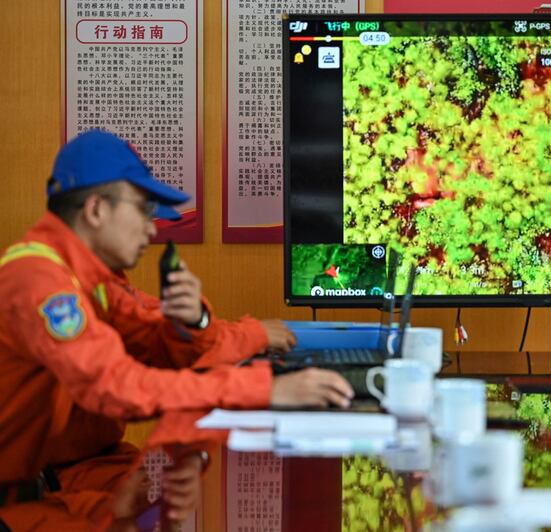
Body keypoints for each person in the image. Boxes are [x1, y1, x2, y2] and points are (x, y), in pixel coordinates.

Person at [0, 129, 354, 529]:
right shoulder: (40, 282)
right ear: (96, 210)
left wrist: (191, 322)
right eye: (141, 209)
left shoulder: (90, 281)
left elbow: (156, 345)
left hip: (51, 481)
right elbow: (119, 387)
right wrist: (264, 389)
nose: (152, 230)